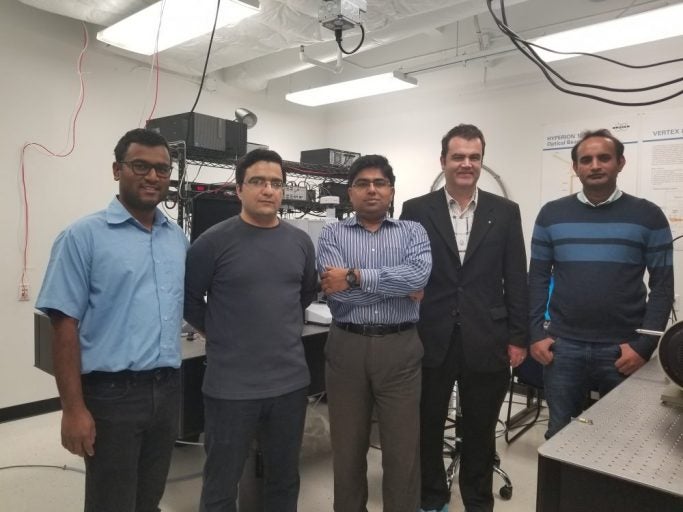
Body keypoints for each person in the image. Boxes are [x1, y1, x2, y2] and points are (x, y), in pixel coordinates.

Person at [35, 128, 189, 512]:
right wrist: (73, 409)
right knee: (111, 502)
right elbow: (63, 326)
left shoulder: (177, 239)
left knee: (150, 497)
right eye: (141, 166)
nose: (153, 177)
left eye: (162, 169)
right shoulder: (81, 237)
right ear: (117, 169)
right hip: (111, 396)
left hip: (168, 388)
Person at [400, 124, 528, 512]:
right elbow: (405, 270)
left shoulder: (504, 212)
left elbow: (516, 277)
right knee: (427, 423)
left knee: (480, 428)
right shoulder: (416, 209)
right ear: (444, 161)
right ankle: (432, 497)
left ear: (481, 162)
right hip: (430, 335)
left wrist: (519, 337)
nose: (466, 163)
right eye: (458, 156)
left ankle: (477, 499)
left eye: (474, 157)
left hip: (487, 335)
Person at [183, 148, 318, 512]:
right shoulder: (211, 242)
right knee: (221, 483)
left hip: (289, 385)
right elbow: (190, 300)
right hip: (231, 388)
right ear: (240, 189)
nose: (268, 190)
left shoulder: (300, 242)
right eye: (258, 181)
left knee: (284, 479)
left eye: (276, 183)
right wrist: (223, 332)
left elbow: (304, 294)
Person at [529, 129, 674, 439]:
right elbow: (537, 279)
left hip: (622, 349)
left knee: (621, 438)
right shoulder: (552, 215)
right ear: (576, 167)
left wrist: (644, 346)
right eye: (586, 159)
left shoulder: (649, 216)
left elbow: (663, 287)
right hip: (562, 347)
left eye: (604, 158)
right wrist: (535, 334)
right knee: (559, 434)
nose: (595, 165)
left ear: (620, 163)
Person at [317, 154, 432, 512]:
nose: (371, 190)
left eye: (379, 183)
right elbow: (336, 292)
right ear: (350, 193)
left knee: (402, 452)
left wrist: (354, 276)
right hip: (346, 347)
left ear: (392, 191)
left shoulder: (413, 231)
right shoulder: (331, 234)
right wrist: (395, 283)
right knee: (347, 449)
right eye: (362, 184)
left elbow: (418, 277)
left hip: (400, 349)